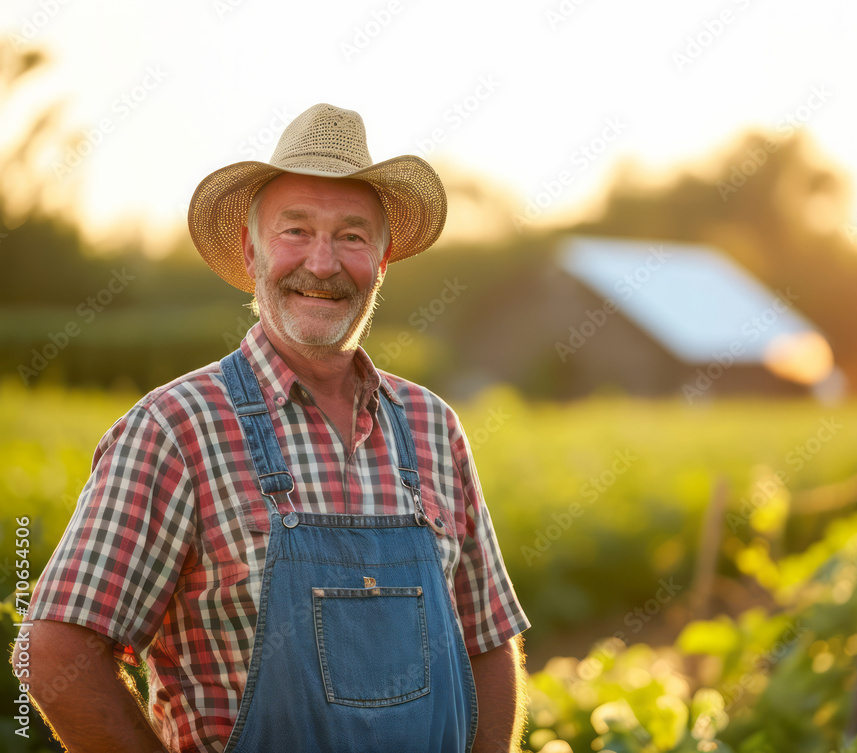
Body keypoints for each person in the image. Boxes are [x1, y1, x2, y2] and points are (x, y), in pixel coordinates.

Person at [20, 104, 530, 753]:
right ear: (249, 247)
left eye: (351, 235)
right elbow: (57, 642)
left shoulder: (432, 426)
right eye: (296, 230)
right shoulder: (178, 428)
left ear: (383, 257)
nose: (322, 263)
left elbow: (487, 639)